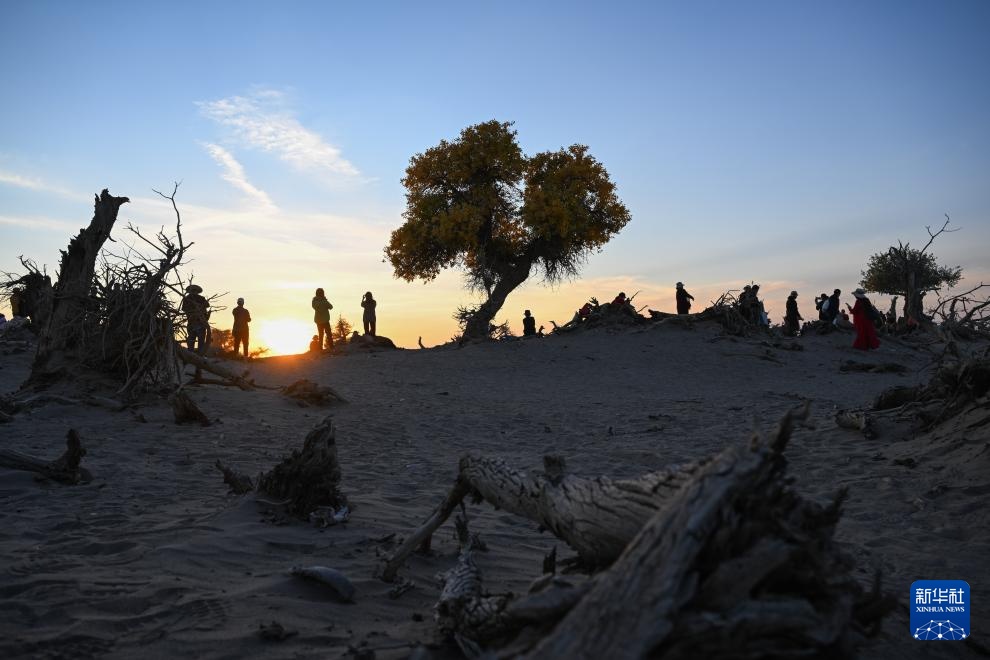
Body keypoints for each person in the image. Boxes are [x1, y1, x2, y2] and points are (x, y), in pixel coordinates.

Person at [181, 284, 209, 353]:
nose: (194, 292)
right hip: (199, 323)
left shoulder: (186, 299)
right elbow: (207, 306)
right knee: (200, 342)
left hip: (192, 323)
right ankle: (199, 356)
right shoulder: (201, 298)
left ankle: (192, 355)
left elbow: (184, 310)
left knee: (192, 341)